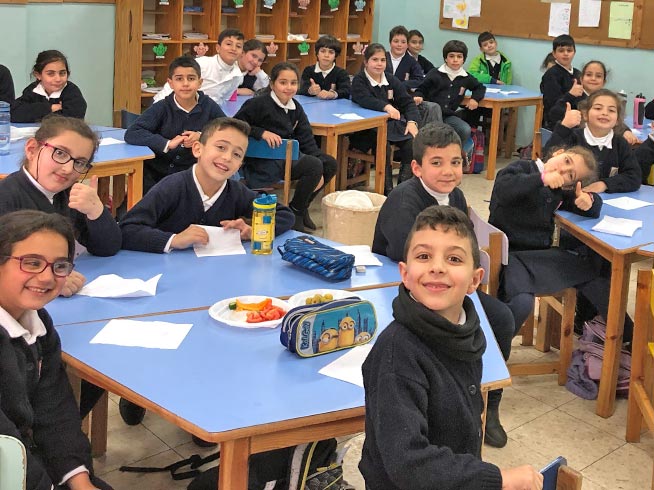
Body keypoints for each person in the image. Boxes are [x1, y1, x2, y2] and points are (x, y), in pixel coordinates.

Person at [360, 205, 544, 490]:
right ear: (405, 274)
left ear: (474, 280)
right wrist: (499, 479)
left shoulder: (466, 331)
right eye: (424, 256)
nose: (437, 267)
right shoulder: (396, 353)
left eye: (454, 258)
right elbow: (408, 463)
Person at [372, 122, 516, 448]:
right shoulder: (403, 200)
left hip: (445, 286)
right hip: (400, 287)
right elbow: (411, 260)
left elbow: (463, 248)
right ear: (416, 167)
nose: (448, 171)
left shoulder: (456, 195)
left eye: (456, 162)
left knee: (501, 318)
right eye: (436, 162)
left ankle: (489, 404)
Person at [0, 209, 113, 490]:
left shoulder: (37, 322)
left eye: (60, 266)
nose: (47, 277)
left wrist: (79, 479)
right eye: (32, 263)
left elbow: (55, 408)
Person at [121, 117, 294, 253]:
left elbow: (284, 215)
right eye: (220, 147)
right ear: (198, 149)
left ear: (240, 165)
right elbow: (127, 229)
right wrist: (174, 240)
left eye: (236, 154)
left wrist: (254, 230)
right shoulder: (172, 187)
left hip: (216, 274)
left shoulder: (236, 191)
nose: (227, 157)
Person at [0, 114, 121, 294]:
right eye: (60, 153)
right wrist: (48, 280)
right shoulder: (7, 197)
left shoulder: (68, 194)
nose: (68, 168)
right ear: (32, 149)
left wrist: (96, 211)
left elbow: (107, 248)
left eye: (80, 162)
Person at [489, 146, 602, 331]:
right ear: (558, 152)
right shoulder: (522, 168)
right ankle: (493, 351)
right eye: (566, 161)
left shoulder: (558, 190)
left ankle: (623, 336)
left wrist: (589, 200)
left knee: (595, 271)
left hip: (537, 261)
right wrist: (541, 179)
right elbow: (504, 189)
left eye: (570, 175)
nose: (563, 170)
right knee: (522, 303)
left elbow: (588, 207)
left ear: (570, 185)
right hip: (508, 258)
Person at [234, 62, 337, 232]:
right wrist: (260, 132)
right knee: (313, 165)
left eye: (293, 83)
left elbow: (307, 141)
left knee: (328, 163)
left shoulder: (296, 107)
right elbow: (235, 125)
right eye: (283, 82)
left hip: (286, 159)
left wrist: (321, 163)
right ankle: (295, 214)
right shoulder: (258, 103)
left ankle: (299, 208)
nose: (288, 87)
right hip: (262, 164)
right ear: (272, 83)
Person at [124, 56, 226, 194]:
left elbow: (228, 132)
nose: (185, 84)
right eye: (179, 79)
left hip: (192, 175)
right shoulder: (162, 107)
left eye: (191, 78)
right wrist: (167, 143)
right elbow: (132, 133)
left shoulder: (209, 106)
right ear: (170, 83)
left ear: (200, 82)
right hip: (156, 175)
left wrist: (202, 137)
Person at [350, 43, 420, 194]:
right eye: (375, 60)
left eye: (382, 60)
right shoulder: (359, 80)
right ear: (366, 62)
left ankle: (404, 188)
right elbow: (365, 99)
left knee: (411, 142)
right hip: (366, 129)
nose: (379, 64)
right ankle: (386, 189)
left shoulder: (391, 79)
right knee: (384, 146)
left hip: (392, 126)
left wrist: (412, 122)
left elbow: (407, 102)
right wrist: (386, 106)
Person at [545, 88, 641, 194]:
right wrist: (564, 127)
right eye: (598, 108)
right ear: (585, 114)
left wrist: (605, 184)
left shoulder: (620, 143)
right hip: (572, 200)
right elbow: (548, 158)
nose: (605, 113)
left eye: (611, 110)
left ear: (618, 120)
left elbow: (634, 177)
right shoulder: (573, 136)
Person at [414, 39, 485, 154]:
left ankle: (452, 154)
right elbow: (421, 89)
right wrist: (418, 96)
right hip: (430, 114)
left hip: (448, 116)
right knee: (438, 127)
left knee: (464, 129)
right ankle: (435, 153)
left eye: (459, 56)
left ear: (463, 59)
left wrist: (475, 99)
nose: (455, 60)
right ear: (446, 58)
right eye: (451, 56)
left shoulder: (466, 77)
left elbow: (480, 88)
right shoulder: (435, 73)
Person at [547, 60, 637, 144]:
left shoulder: (606, 98)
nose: (593, 79)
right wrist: (569, 96)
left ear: (604, 81)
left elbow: (613, 118)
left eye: (598, 76)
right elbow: (553, 115)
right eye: (589, 75)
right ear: (581, 79)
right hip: (574, 141)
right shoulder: (572, 96)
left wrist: (625, 131)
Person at [154, 28, 244, 105]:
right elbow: (171, 87)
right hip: (171, 106)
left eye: (238, 46)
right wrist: (158, 110)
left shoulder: (237, 76)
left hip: (205, 114)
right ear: (218, 48)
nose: (233, 49)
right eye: (229, 44)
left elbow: (222, 100)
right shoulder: (202, 64)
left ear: (241, 52)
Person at [11, 50, 86, 123]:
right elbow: (14, 113)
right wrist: (50, 108)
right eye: (51, 74)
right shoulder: (33, 90)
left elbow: (73, 118)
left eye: (62, 73)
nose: (58, 79)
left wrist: (33, 113)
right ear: (38, 75)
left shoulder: (71, 91)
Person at [540, 35, 581, 130]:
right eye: (561, 51)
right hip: (556, 123)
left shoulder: (578, 74)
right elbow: (552, 106)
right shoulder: (551, 75)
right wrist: (571, 94)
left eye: (569, 50)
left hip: (576, 120)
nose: (565, 54)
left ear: (574, 52)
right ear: (554, 54)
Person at [298, 35, 351, 99]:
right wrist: (310, 90)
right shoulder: (308, 71)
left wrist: (333, 94)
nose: (326, 55)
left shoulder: (342, 73)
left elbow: (346, 91)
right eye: (323, 51)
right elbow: (301, 90)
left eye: (331, 52)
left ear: (335, 56)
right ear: (317, 53)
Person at [385, 25, 424, 90]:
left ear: (407, 45)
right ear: (390, 42)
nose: (399, 45)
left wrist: (402, 84)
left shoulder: (412, 62)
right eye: (396, 41)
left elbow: (420, 80)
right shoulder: (382, 57)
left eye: (403, 42)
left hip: (402, 96)